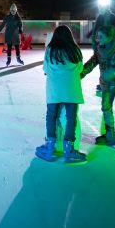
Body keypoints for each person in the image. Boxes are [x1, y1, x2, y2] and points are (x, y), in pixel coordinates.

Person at [35, 25, 87, 163]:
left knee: (51, 116)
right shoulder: (75, 50)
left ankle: (50, 145)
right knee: (71, 117)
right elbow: (80, 68)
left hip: (54, 90)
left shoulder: (51, 50)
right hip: (72, 89)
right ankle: (69, 148)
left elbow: (45, 69)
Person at [80, 25, 115, 149]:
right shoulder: (100, 49)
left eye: (101, 36)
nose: (98, 39)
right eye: (98, 36)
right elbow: (92, 63)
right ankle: (110, 135)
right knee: (106, 108)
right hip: (106, 84)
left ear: (109, 37)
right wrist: (81, 74)